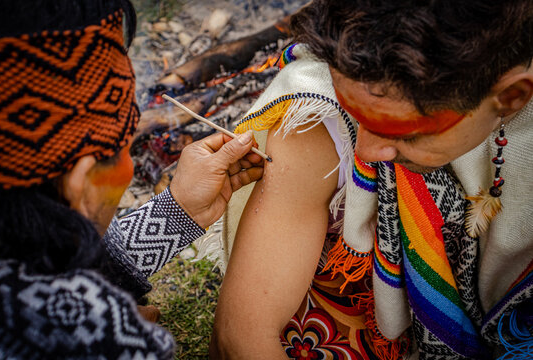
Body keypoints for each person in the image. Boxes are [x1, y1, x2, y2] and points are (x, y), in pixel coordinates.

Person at [211, 0, 533, 359]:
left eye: (403, 134)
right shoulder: (322, 100)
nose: (363, 151)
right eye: (354, 112)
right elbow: (238, 336)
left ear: (510, 98)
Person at [0, 0, 263, 358]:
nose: (130, 165)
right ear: (82, 180)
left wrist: (176, 211)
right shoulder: (93, 340)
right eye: (123, 148)